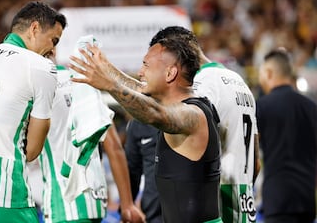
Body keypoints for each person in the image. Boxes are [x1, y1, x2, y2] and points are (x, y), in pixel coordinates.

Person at [69, 27, 223, 223]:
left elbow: (153, 113)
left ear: (170, 73)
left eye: (145, 65)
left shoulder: (194, 115)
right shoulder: (181, 105)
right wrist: (106, 67)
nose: (140, 72)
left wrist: (109, 84)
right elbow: (142, 93)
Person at [0, 1, 67, 223]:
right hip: (1, 197)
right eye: (53, 40)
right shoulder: (40, 67)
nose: (53, 50)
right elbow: (32, 150)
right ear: (34, 29)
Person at [141, 25, 260, 223]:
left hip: (218, 207)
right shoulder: (239, 82)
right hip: (245, 205)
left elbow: (197, 140)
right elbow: (255, 160)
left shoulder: (202, 84)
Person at [38, 56, 145, 223]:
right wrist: (127, 204)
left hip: (63, 202)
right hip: (95, 198)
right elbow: (115, 146)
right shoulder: (83, 82)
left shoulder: (37, 84)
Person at [256, 48, 317, 223]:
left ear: (268, 73)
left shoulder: (263, 106)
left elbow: (252, 152)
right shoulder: (311, 108)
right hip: (307, 201)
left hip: (278, 201)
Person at [124, 119, 162, 223]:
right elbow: (132, 171)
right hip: (155, 215)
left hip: (193, 211)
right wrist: (127, 207)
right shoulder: (138, 123)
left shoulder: (194, 110)